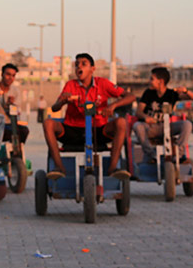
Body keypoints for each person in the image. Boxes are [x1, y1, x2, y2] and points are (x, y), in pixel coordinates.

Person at [42, 53, 136, 181]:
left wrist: (113, 106)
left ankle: (113, 168)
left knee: (120, 122)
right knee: (48, 123)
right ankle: (59, 168)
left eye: (83, 64)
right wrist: (63, 101)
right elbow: (54, 108)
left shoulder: (103, 84)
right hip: (72, 131)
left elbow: (130, 96)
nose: (79, 67)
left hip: (97, 130)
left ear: (93, 69)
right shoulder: (70, 85)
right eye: (77, 65)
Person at [132, 67, 193, 163]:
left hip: (167, 127)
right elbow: (139, 112)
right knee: (137, 126)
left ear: (160, 81)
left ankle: (178, 155)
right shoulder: (148, 93)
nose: (149, 81)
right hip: (151, 128)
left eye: (152, 79)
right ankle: (151, 155)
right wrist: (146, 118)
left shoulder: (172, 94)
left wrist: (185, 90)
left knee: (187, 124)